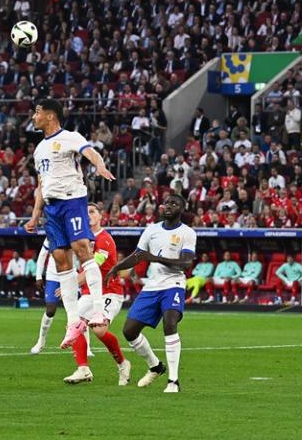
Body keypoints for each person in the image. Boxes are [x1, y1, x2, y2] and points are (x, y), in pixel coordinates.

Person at [24, 98, 115, 349]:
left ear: (50, 115)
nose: (34, 117)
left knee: (82, 249)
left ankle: (97, 310)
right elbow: (41, 185)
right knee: (61, 261)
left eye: (37, 112)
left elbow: (90, 152)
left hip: (72, 200)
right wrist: (35, 215)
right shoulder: (39, 149)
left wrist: (100, 166)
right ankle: (74, 321)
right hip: (51, 208)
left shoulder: (70, 137)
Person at [106, 194, 195, 393]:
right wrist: (116, 268)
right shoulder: (151, 230)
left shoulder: (187, 233)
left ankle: (173, 381)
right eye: (167, 202)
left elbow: (186, 263)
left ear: (182, 208)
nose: (169, 205)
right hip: (152, 287)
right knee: (129, 331)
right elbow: (137, 256)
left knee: (170, 323)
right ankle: (156, 366)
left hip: (174, 284)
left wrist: (155, 258)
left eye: (174, 203)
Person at [64, 203, 132, 386]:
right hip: (88, 292)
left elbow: (94, 267)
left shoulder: (105, 239)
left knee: (99, 330)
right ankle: (83, 369)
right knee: (74, 323)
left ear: (101, 216)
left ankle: (123, 363)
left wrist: (69, 285)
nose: (89, 215)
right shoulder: (80, 239)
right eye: (85, 213)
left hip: (109, 292)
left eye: (92, 212)